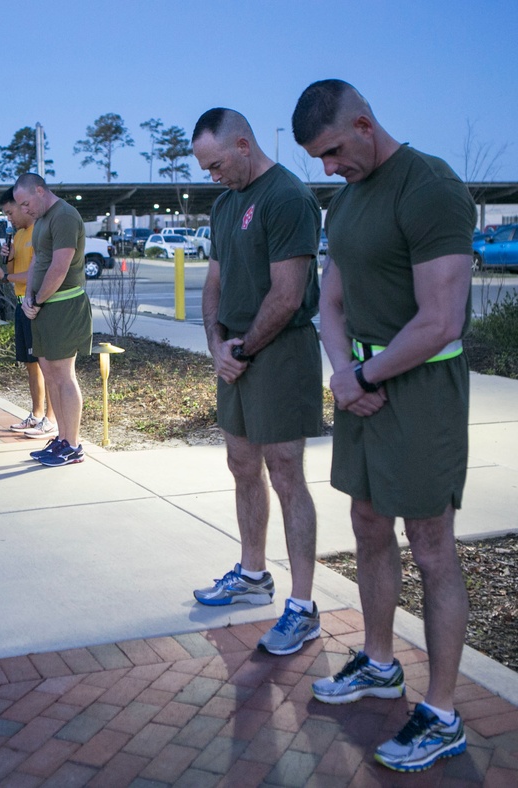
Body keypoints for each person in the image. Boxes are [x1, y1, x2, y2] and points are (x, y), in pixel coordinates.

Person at [292, 79, 473, 773]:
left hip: (420, 388)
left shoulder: (429, 187)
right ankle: (378, 663)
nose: (329, 168)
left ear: (365, 125)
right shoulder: (347, 200)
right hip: (361, 386)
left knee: (431, 547)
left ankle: (445, 712)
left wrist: (363, 378)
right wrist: (345, 374)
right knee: (367, 522)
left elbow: (439, 320)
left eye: (334, 151)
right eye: (319, 158)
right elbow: (330, 301)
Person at [191, 108, 324, 657]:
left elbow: (288, 294)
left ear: (244, 145)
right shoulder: (225, 205)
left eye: (217, 164)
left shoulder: (287, 198)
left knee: (285, 471)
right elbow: (213, 285)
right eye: (206, 169)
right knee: (241, 464)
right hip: (236, 354)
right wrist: (217, 345)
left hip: (280, 351)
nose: (213, 176)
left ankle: (303, 607)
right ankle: (252, 575)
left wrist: (241, 349)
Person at [11, 173, 93, 467]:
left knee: (63, 374)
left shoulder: (65, 216)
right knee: (49, 373)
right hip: (42, 307)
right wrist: (29, 299)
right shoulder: (42, 220)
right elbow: (37, 262)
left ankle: (73, 445)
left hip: (64, 305)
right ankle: (61, 438)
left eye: (26, 203)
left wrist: (39, 299)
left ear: (40, 190)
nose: (24, 210)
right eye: (20, 206)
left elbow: (60, 266)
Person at [0, 188, 57, 440]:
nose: (10, 218)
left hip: (36, 304)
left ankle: (52, 419)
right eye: (5, 214)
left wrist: (4, 276)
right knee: (30, 363)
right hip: (20, 302)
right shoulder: (18, 236)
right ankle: (37, 414)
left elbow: (37, 274)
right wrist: (8, 259)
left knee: (47, 364)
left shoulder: (39, 231)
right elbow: (15, 272)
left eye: (11, 212)